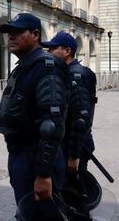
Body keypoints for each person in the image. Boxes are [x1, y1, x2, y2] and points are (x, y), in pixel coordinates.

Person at [0, 13, 69, 207]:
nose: (11, 36)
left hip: (35, 158)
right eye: (9, 32)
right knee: (27, 210)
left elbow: (52, 124)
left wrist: (43, 174)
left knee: (41, 213)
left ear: (35, 34)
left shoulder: (46, 67)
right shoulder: (25, 67)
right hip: (20, 154)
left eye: (18, 31)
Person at [42, 32, 98, 217]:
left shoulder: (77, 74)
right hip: (69, 144)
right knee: (67, 193)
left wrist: (73, 156)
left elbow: (81, 118)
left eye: (52, 48)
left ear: (67, 51)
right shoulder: (66, 72)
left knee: (73, 196)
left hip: (76, 147)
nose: (48, 51)